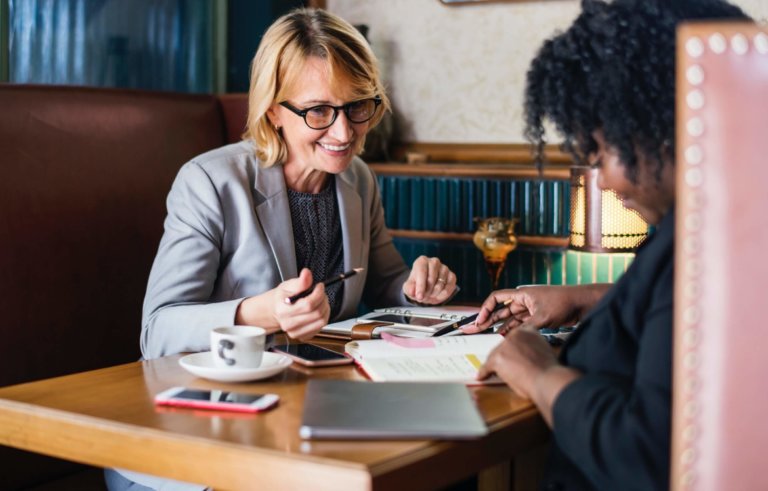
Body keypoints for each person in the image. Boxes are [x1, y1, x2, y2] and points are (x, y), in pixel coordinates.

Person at [462, 1, 751, 490]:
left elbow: (647, 454)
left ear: (658, 124)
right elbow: (677, 313)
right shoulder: (717, 228)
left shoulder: (700, 249)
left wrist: (539, 374)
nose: (605, 182)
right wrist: (586, 297)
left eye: (599, 151)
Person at [139, 7, 458, 360]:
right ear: (273, 110)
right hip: (227, 393)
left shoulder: (358, 179)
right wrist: (263, 314)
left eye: (357, 106)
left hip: (326, 388)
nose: (344, 133)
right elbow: (158, 331)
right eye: (319, 110)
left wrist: (418, 288)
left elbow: (386, 283)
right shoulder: (210, 182)